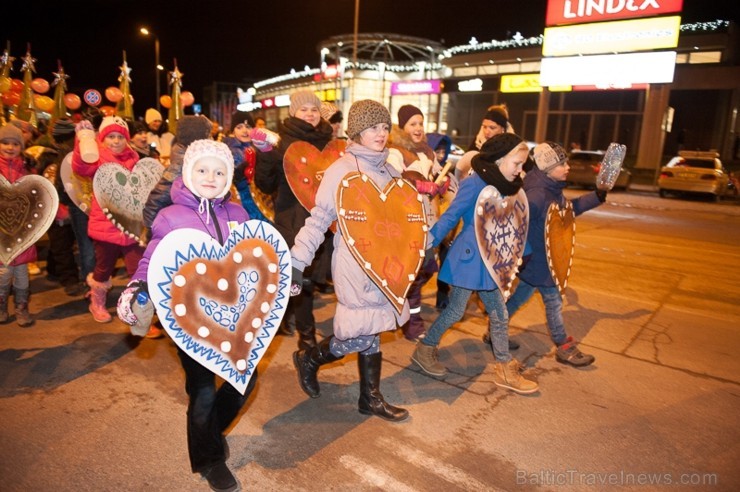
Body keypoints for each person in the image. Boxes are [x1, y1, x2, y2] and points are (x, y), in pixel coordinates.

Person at [117, 139, 252, 492]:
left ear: (229, 177)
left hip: (233, 318)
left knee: (244, 381)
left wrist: (280, 280)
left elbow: (254, 258)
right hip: (188, 318)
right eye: (203, 169)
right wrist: (137, 287)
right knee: (204, 390)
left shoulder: (238, 214)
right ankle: (209, 459)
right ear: (188, 173)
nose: (211, 177)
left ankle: (207, 431)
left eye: (220, 171)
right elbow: (152, 259)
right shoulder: (170, 217)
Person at [291, 99, 410, 421]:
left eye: (385, 127)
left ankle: (369, 397)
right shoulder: (341, 171)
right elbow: (319, 219)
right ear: (356, 132)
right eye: (373, 127)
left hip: (387, 265)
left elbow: (403, 215)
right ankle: (311, 359)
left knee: (374, 328)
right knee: (358, 333)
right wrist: (296, 261)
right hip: (354, 265)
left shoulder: (389, 168)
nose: (381, 133)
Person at [411, 133, 539, 395]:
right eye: (516, 163)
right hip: (469, 259)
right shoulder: (475, 183)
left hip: (493, 260)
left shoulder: (511, 186)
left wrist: (523, 250)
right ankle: (424, 350)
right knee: (456, 311)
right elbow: (452, 214)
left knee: (499, 312)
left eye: (522, 165)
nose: (519, 170)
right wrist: (428, 242)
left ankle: (503, 366)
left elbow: (513, 223)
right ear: (500, 159)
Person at [484, 141, 602, 367]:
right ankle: (563, 346)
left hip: (543, 259)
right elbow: (516, 223)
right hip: (539, 260)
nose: (567, 167)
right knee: (554, 301)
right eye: (561, 164)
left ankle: (494, 331)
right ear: (547, 169)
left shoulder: (550, 188)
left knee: (520, 298)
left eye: (566, 162)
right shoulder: (538, 194)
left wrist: (597, 196)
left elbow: (568, 211)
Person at [254, 90, 333, 351]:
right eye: (303, 109)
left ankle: (283, 319)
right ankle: (306, 335)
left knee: (300, 280)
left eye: (313, 108)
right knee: (303, 279)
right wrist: (265, 154)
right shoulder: (282, 143)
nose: (310, 113)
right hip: (293, 221)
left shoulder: (328, 140)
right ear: (293, 112)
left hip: (324, 222)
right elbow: (265, 185)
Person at [388, 104, 451, 341]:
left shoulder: (427, 152)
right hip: (404, 221)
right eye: (412, 123)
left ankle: (399, 305)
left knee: (425, 269)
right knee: (413, 273)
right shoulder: (395, 151)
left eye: (420, 123)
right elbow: (392, 183)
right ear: (403, 126)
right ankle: (412, 324)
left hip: (427, 218)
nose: (418, 128)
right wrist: (420, 186)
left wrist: (441, 185)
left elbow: (435, 176)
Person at [72, 116, 143, 323]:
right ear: (102, 139)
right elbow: (80, 168)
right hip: (106, 225)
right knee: (103, 268)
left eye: (120, 136)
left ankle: (138, 309)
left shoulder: (134, 157)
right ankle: (97, 302)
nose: (116, 141)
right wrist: (81, 142)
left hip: (131, 225)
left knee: (137, 268)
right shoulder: (96, 157)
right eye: (110, 136)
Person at [0, 124, 37, 326]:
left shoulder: (27, 168)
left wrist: (57, 212)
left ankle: (22, 308)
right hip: (2, 232)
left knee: (22, 273)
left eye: (15, 143)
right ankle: (1, 305)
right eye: (5, 142)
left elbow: (40, 194)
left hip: (23, 230)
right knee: (4, 272)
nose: (10, 147)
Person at [223, 111, 273, 222]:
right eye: (239, 127)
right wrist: (237, 178)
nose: (245, 131)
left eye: (248, 127)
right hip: (241, 202)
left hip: (260, 200)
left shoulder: (258, 148)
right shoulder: (228, 151)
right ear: (233, 131)